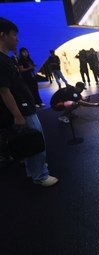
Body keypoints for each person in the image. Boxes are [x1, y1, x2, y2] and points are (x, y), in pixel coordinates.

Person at [0, 17, 58, 186]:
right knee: (36, 140)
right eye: (14, 35)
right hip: (23, 110)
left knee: (29, 141)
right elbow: (4, 91)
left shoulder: (7, 58)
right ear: (3, 35)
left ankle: (33, 170)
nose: (17, 39)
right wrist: (18, 115)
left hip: (25, 108)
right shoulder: (1, 61)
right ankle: (40, 175)